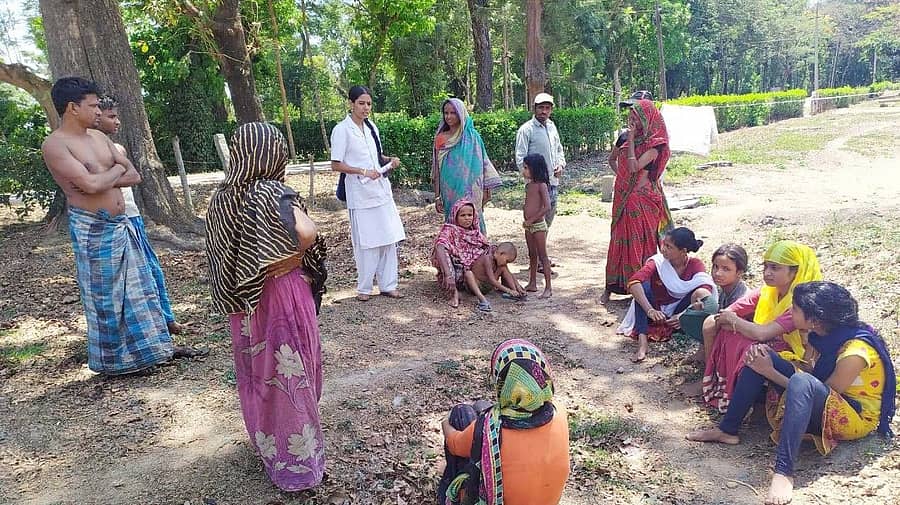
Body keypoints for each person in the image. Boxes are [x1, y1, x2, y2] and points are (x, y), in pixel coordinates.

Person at [687, 282, 896, 505]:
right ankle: (728, 429)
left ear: (815, 320)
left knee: (790, 376)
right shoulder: (820, 336)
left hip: (852, 415)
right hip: (820, 396)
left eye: (795, 309)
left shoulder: (855, 352)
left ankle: (784, 471)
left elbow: (822, 393)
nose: (790, 312)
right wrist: (768, 364)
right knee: (761, 354)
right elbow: (810, 375)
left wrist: (771, 373)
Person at [205, 122, 328, 492]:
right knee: (292, 373)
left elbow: (224, 258)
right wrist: (293, 255)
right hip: (280, 295)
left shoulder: (222, 198)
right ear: (270, 154)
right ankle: (299, 465)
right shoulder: (269, 192)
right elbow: (306, 234)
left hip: (245, 306)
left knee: (259, 374)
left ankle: (269, 445)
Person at [41, 76, 178, 375]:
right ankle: (117, 363)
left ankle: (151, 351)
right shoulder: (55, 144)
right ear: (72, 108)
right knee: (107, 296)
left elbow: (135, 176)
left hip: (122, 224)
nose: (98, 112)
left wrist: (107, 174)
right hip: (93, 228)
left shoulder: (100, 139)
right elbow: (90, 185)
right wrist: (115, 169)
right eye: (92, 106)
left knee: (140, 289)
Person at [438, 338, 570, 505]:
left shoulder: (488, 426)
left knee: (461, 412)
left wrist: (444, 422)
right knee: (481, 406)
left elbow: (453, 444)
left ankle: (446, 494)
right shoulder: (559, 411)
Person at [95, 95, 184, 336]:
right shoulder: (89, 151)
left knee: (152, 270)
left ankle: (166, 319)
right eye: (111, 116)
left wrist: (103, 181)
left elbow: (132, 177)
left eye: (117, 116)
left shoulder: (118, 149)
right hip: (110, 221)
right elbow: (93, 185)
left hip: (132, 218)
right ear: (96, 116)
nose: (117, 121)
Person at [700, 241, 822, 413]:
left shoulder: (802, 303)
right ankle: (723, 388)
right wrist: (728, 319)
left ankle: (737, 398)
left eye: (774, 268)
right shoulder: (769, 291)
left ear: (795, 271)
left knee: (753, 347)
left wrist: (734, 321)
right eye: (765, 267)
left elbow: (763, 333)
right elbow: (729, 312)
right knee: (726, 331)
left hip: (800, 359)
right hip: (774, 345)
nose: (767, 273)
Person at [330, 85, 405, 302]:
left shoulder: (372, 127)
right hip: (360, 193)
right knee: (367, 242)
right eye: (361, 103)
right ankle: (364, 287)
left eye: (369, 104)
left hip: (381, 190)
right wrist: (362, 171)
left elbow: (376, 156)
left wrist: (389, 161)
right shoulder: (342, 130)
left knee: (388, 239)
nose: (366, 108)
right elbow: (336, 164)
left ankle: (388, 284)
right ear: (351, 104)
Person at [601, 97, 673, 304]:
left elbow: (634, 167)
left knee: (643, 243)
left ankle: (641, 292)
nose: (631, 120)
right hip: (624, 197)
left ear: (648, 118)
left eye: (636, 117)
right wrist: (622, 180)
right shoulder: (623, 138)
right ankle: (610, 288)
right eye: (631, 116)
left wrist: (632, 139)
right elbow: (612, 160)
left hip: (644, 200)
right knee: (617, 241)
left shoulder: (655, 144)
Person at [617, 227, 715, 363]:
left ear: (683, 251)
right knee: (643, 288)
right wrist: (650, 310)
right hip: (654, 308)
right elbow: (634, 281)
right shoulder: (658, 262)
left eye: (669, 247)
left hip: (678, 311)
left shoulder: (695, 264)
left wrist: (684, 314)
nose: (663, 249)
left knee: (697, 291)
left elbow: (705, 292)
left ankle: (680, 325)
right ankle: (642, 340)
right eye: (664, 244)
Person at [431, 200, 524, 309]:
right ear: (455, 216)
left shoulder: (475, 232)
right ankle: (454, 293)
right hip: (458, 271)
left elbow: (492, 251)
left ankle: (514, 289)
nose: (467, 218)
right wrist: (448, 274)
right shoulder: (449, 230)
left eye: (470, 215)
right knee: (444, 251)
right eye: (462, 215)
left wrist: (516, 284)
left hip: (477, 273)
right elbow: (440, 246)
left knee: (496, 254)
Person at [432, 98, 502, 234]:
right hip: (449, 190)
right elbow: (437, 170)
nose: (448, 116)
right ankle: (455, 252)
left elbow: (483, 164)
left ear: (461, 114)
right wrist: (437, 196)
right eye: (446, 113)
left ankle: (478, 252)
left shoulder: (473, 137)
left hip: (472, 189)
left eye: (453, 113)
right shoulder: (440, 138)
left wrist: (487, 190)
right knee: (453, 220)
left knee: (472, 218)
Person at [515, 92, 566, 271]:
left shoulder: (552, 127)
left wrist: (560, 164)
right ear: (534, 108)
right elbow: (520, 157)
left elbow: (559, 149)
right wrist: (530, 178)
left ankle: (540, 256)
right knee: (536, 221)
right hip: (536, 184)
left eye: (547, 108)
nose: (544, 111)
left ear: (551, 109)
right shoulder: (526, 129)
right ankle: (536, 261)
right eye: (540, 108)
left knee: (548, 219)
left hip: (553, 182)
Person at [680, 243, 750, 361]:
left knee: (708, 324)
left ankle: (711, 367)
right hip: (724, 329)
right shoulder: (726, 289)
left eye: (726, 269)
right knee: (699, 296)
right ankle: (703, 352)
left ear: (739, 272)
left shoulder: (742, 298)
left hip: (738, 341)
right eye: (715, 267)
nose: (717, 273)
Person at [522, 153, 553, 299]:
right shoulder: (528, 186)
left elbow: (547, 206)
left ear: (535, 169)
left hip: (538, 226)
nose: (524, 171)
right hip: (528, 226)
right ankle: (532, 282)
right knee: (532, 255)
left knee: (542, 256)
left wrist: (532, 219)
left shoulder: (542, 186)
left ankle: (548, 287)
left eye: (526, 168)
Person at [465, 242, 527, 313]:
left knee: (503, 268)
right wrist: (508, 291)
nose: (505, 263)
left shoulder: (500, 261)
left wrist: (518, 287)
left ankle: (515, 293)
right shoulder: (487, 258)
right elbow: (492, 280)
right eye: (506, 261)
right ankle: (482, 299)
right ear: (502, 254)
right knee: (468, 274)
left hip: (488, 286)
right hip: (477, 285)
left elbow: (509, 273)